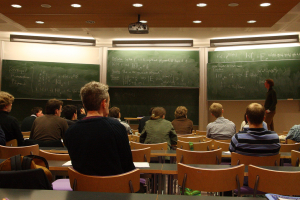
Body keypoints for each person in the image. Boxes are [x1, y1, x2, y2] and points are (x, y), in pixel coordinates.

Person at [64, 81, 135, 176]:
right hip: (114, 188)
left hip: (82, 189)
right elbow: (128, 166)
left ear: (84, 105)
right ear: (104, 103)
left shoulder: (70, 132)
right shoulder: (117, 127)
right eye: (108, 102)